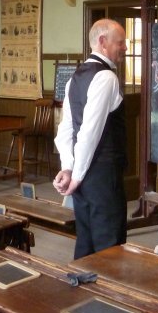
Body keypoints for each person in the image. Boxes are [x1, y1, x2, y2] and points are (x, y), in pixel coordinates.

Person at [53, 19, 128, 259]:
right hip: (102, 175)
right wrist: (74, 176)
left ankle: (81, 282)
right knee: (109, 244)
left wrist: (69, 168)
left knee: (86, 240)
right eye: (121, 42)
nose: (125, 47)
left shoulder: (75, 78)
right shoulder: (106, 77)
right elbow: (89, 132)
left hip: (82, 172)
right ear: (103, 42)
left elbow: (65, 130)